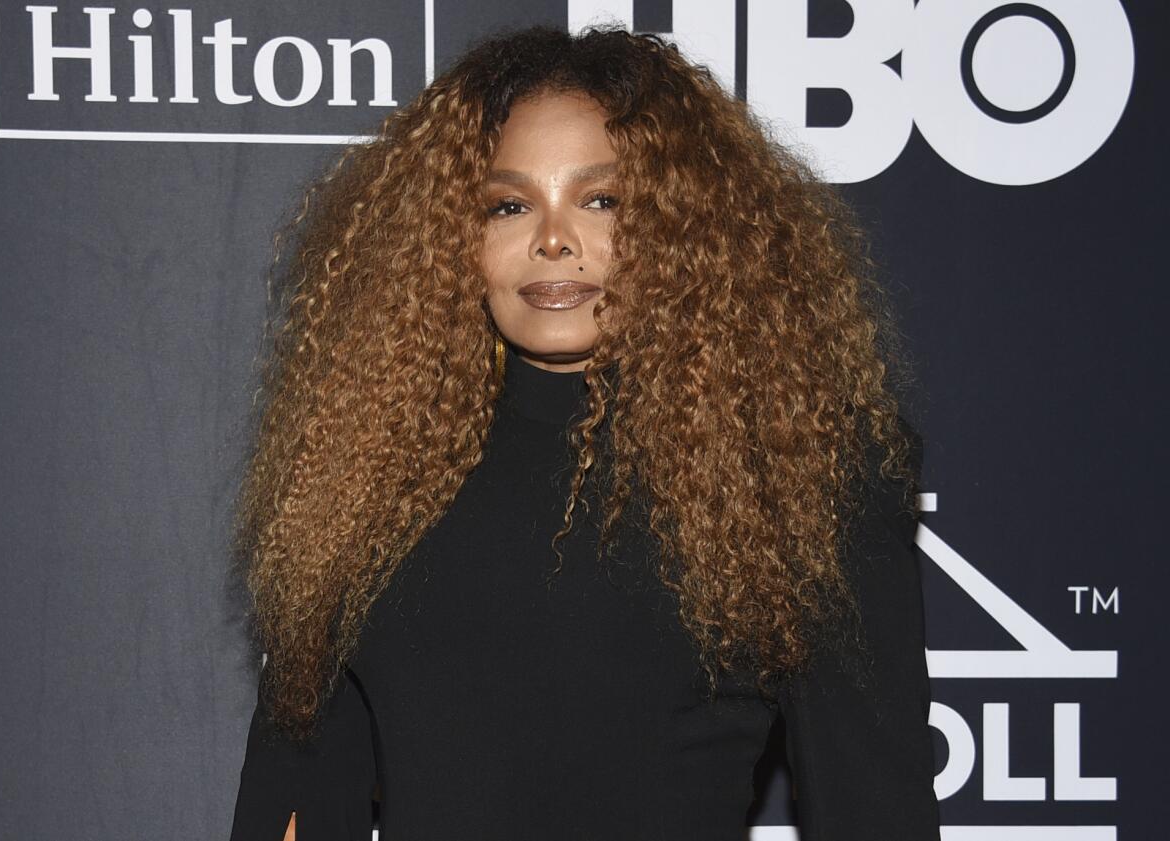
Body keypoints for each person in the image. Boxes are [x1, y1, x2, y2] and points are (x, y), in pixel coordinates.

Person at [227, 22, 941, 841]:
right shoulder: (365, 478)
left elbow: (875, 813)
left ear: (687, 231)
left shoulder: (798, 477)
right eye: (508, 204)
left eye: (602, 200)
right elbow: (299, 791)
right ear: (455, 242)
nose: (554, 238)